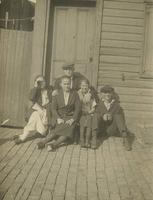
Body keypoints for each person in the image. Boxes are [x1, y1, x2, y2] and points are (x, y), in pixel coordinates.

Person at [37, 75, 81, 151]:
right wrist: (58, 118)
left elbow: (78, 108)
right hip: (59, 116)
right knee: (59, 128)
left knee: (69, 126)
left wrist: (73, 119)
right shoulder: (57, 94)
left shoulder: (75, 94)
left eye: (68, 83)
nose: (67, 86)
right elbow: (53, 109)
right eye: (65, 84)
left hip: (70, 116)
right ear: (61, 84)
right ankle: (44, 142)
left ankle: (54, 145)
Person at [13, 75, 53, 144]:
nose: (41, 83)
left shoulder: (50, 90)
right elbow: (31, 98)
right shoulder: (35, 90)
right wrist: (35, 87)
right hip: (37, 112)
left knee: (41, 130)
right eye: (39, 82)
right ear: (36, 83)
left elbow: (53, 102)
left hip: (46, 114)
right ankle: (23, 137)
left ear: (45, 82)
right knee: (35, 114)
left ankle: (22, 135)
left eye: (43, 81)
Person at [96, 85, 131, 151]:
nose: (107, 94)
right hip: (101, 129)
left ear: (112, 94)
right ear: (102, 94)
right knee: (96, 115)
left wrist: (111, 115)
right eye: (105, 93)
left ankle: (125, 138)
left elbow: (121, 118)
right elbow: (96, 114)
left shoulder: (116, 105)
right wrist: (102, 115)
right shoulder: (99, 104)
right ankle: (93, 137)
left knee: (118, 115)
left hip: (111, 129)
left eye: (109, 92)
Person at [78, 79, 98, 149]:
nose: (84, 87)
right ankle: (82, 140)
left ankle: (87, 141)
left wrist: (89, 112)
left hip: (89, 113)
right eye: (83, 85)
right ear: (80, 86)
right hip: (80, 113)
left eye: (86, 86)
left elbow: (93, 107)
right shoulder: (77, 94)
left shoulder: (91, 95)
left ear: (88, 86)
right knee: (82, 127)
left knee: (89, 125)